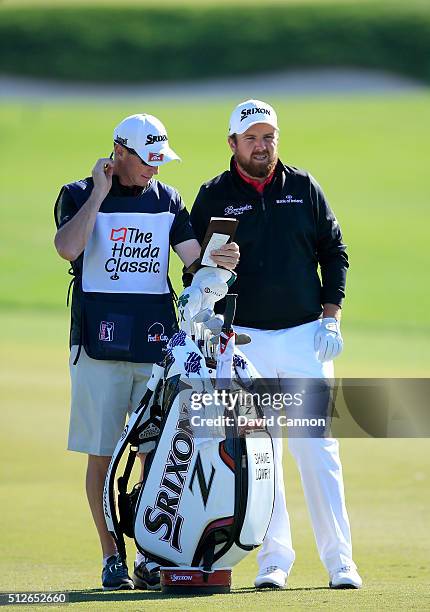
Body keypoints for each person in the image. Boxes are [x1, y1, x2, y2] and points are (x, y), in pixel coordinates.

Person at [54, 113, 239, 591]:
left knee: (155, 457)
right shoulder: (77, 194)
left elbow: (193, 260)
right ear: (121, 152)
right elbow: (68, 248)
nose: (156, 169)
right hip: (98, 345)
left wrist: (218, 263)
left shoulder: (168, 199)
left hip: (158, 349)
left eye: (161, 160)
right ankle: (110, 554)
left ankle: (149, 554)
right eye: (148, 161)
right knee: (101, 456)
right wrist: (99, 192)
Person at [189, 99, 362, 590]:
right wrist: (209, 264)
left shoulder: (303, 187)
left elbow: (335, 251)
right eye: (252, 139)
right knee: (261, 453)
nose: (262, 147)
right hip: (244, 343)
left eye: (269, 137)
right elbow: (191, 272)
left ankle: (339, 561)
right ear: (232, 144)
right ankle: (274, 560)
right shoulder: (214, 196)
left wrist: (331, 317)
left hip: (305, 337)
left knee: (318, 449)